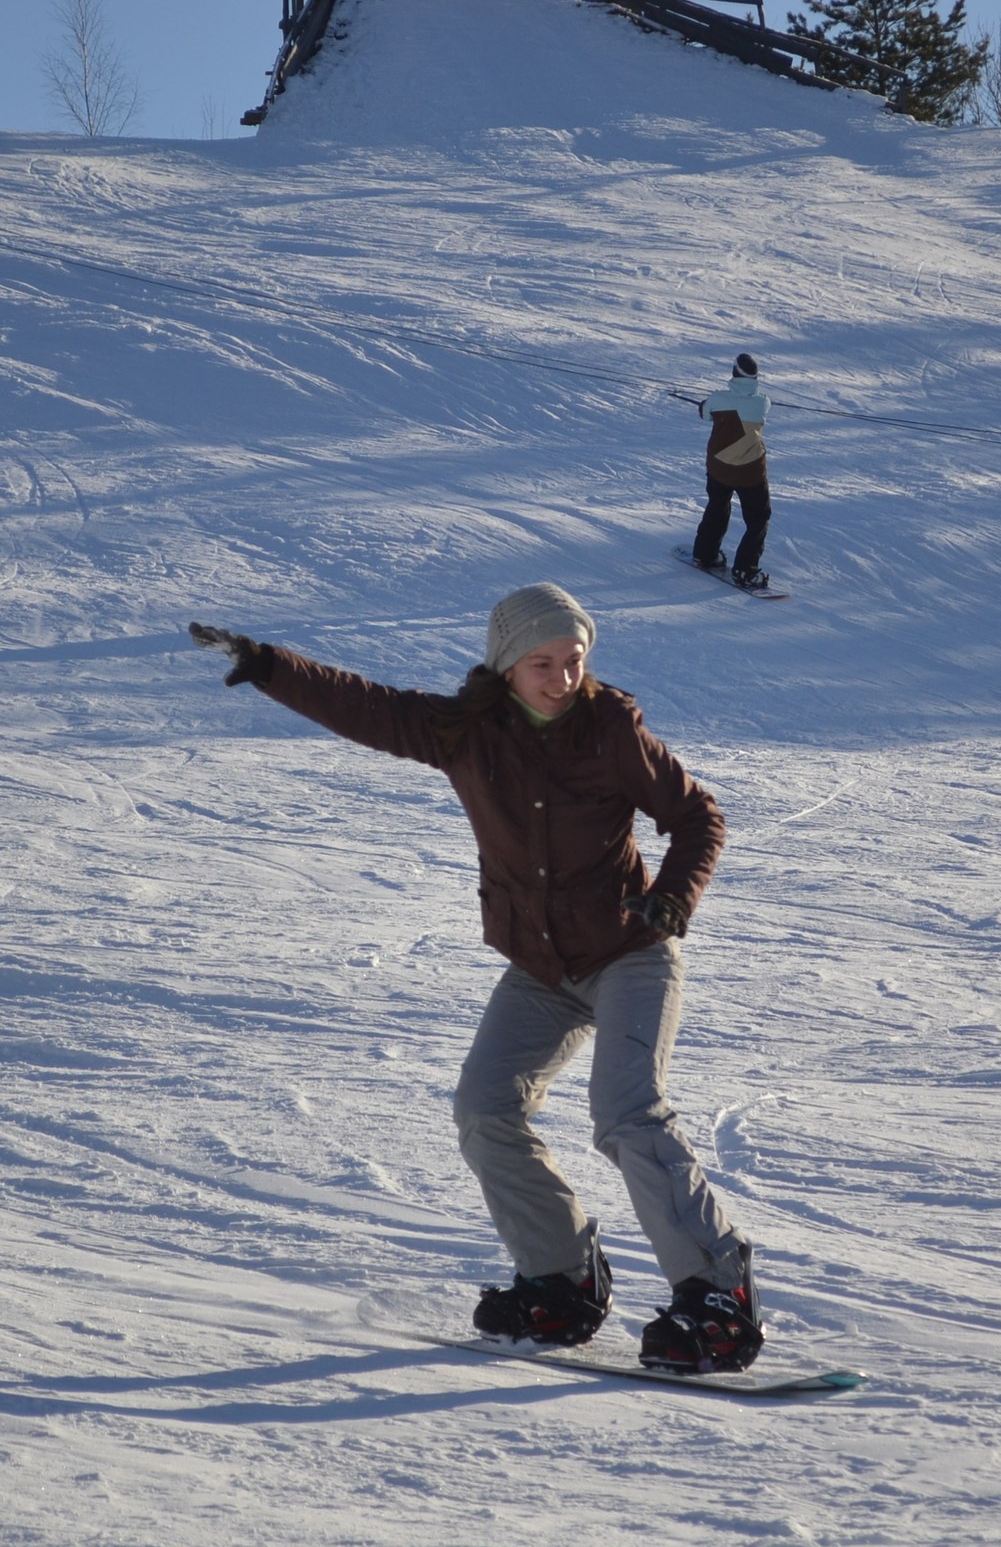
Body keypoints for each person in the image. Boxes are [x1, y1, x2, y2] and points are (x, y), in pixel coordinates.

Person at [188, 586, 764, 1372]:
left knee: (627, 1114)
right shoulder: (465, 732)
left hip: (630, 951)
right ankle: (563, 1276)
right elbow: (367, 707)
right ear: (507, 666)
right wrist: (268, 666)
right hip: (543, 967)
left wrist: (671, 897)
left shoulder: (610, 729)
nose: (562, 678)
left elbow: (698, 815)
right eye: (543, 663)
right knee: (485, 1108)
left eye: (574, 660)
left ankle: (719, 1293)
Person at [692, 353, 773, 590]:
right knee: (758, 518)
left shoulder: (718, 399)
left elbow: (705, 413)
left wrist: (707, 406)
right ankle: (745, 570)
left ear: (734, 373)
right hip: (750, 471)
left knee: (718, 505)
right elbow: (760, 412)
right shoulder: (762, 402)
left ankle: (705, 554)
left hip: (719, 466)